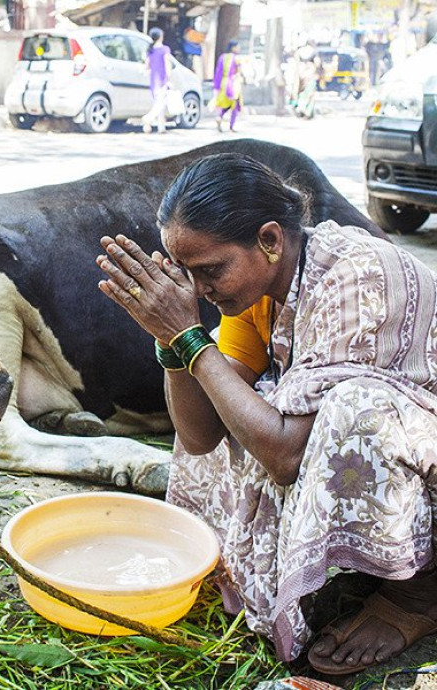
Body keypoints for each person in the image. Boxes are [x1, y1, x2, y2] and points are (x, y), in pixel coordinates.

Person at [95, 153, 437, 676]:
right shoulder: (260, 293)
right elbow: (198, 436)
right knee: (227, 391)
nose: (198, 290)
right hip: (382, 459)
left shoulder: (358, 276)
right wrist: (171, 342)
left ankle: (418, 597)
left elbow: (285, 456)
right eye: (185, 273)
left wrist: (191, 341)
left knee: (353, 411)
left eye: (209, 270)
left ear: (270, 241)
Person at [141, 27, 172, 135]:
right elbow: (168, 66)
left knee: (159, 103)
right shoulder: (165, 49)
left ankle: (161, 127)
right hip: (162, 80)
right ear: (160, 37)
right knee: (160, 104)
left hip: (153, 80)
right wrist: (168, 79)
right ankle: (148, 119)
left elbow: (147, 66)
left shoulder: (150, 50)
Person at [213, 40, 243, 132]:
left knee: (226, 104)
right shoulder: (236, 59)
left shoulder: (223, 57)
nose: (239, 48)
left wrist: (216, 86)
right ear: (233, 48)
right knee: (234, 105)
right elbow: (238, 72)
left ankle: (219, 116)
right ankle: (231, 126)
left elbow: (218, 72)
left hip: (223, 83)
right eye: (238, 46)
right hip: (233, 83)